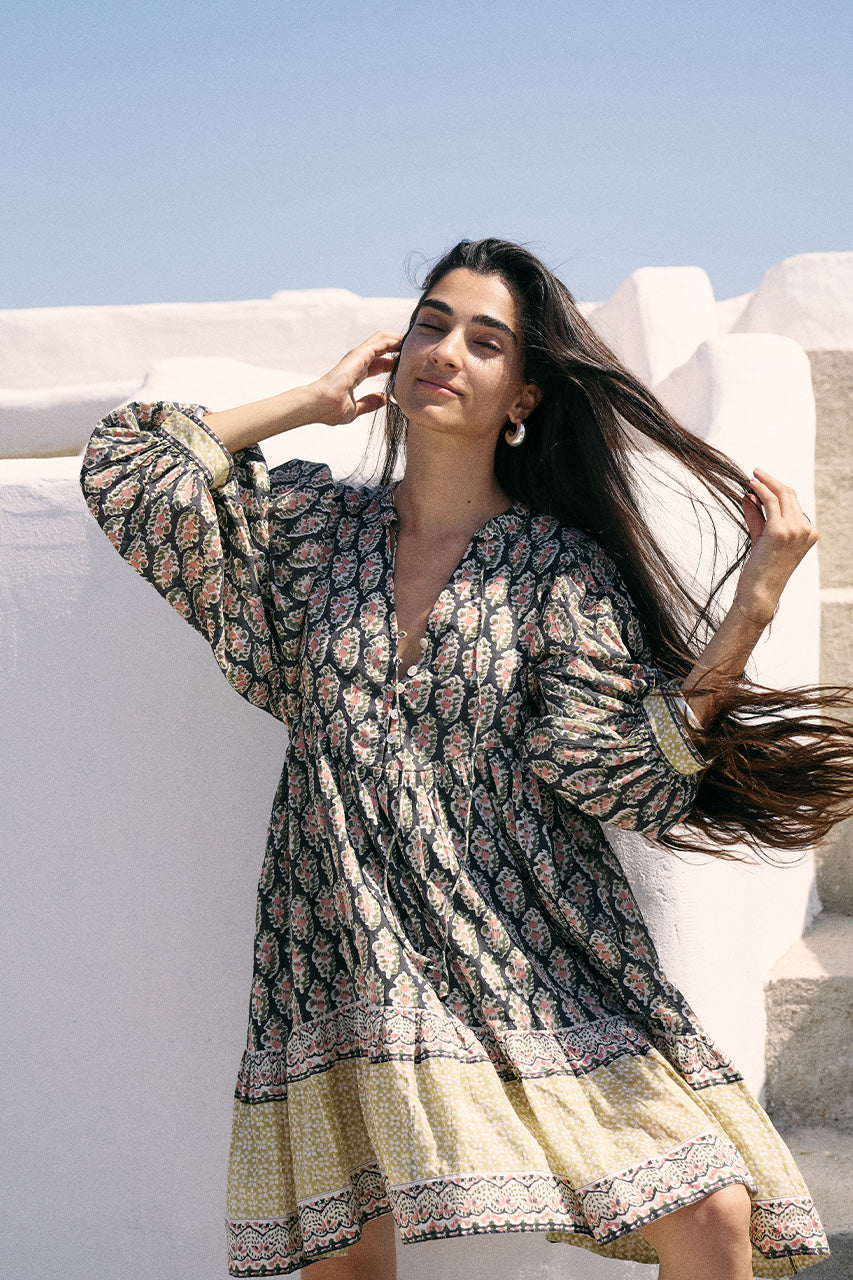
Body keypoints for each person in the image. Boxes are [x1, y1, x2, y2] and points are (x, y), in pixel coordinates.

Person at [80, 239, 853, 1279]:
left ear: (523, 393)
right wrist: (310, 400)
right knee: (346, 1261)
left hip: (518, 949)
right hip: (339, 938)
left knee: (710, 1211)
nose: (444, 349)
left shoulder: (553, 568)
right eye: (431, 323)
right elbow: (130, 471)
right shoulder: (311, 528)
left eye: (483, 340)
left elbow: (618, 773)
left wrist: (749, 609)